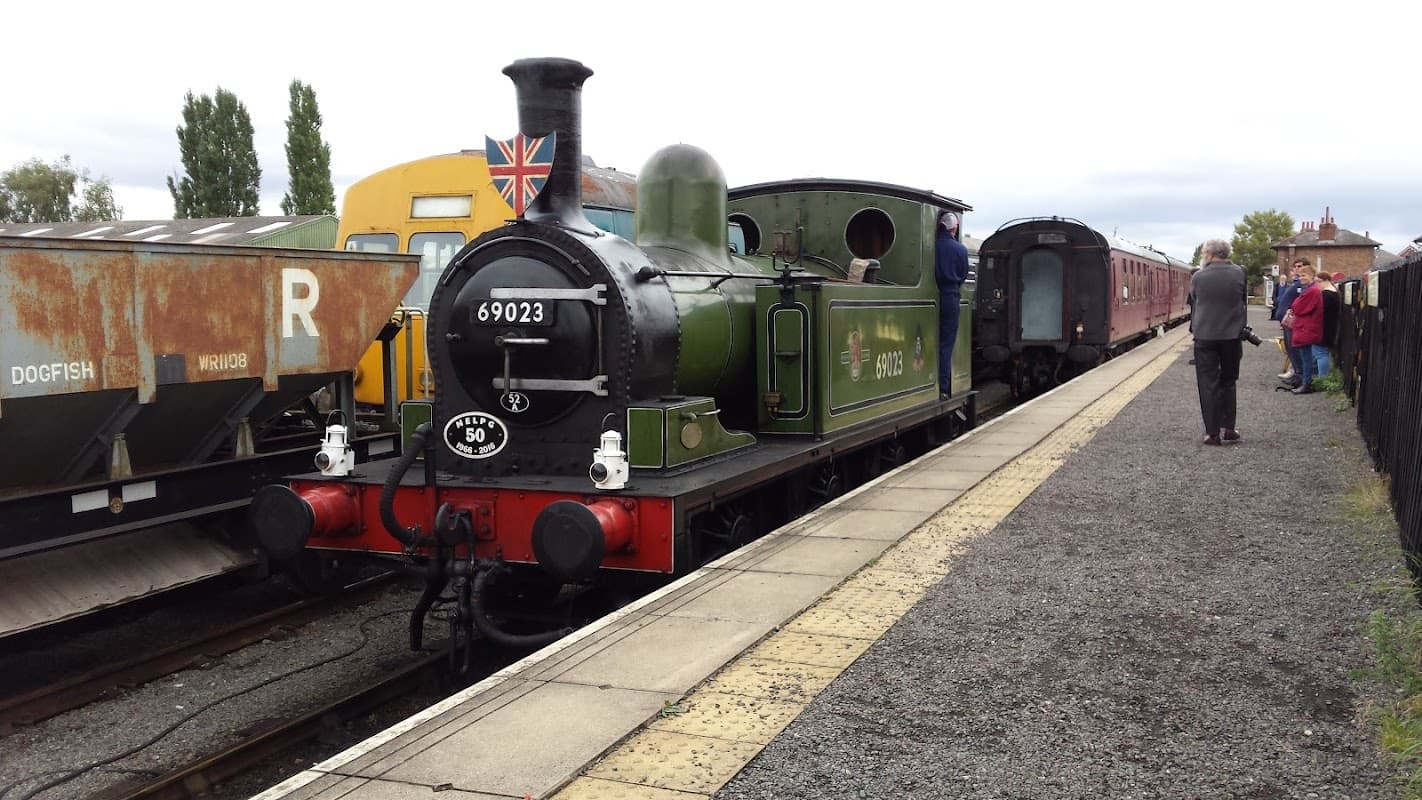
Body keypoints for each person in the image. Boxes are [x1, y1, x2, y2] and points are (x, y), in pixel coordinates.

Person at [1188, 239, 1248, 445]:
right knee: (1228, 381)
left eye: (1204, 253)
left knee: (1208, 384)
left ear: (1209, 254)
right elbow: (1242, 300)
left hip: (1205, 336)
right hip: (1231, 336)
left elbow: (1195, 299)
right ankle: (1230, 428)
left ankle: (1212, 433)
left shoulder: (1198, 277)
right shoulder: (1240, 273)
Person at [935, 210, 969, 399]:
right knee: (946, 344)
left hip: (932, 296)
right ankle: (944, 387)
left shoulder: (933, 247)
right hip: (950, 296)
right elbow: (963, 275)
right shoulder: (960, 250)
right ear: (954, 229)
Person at [1288, 264, 1323, 394]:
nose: (1301, 278)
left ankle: (1306, 384)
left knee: (1306, 358)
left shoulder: (1312, 291)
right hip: (1306, 327)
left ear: (1312, 276)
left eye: (1304, 275)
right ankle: (1305, 382)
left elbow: (1297, 307)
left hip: (1306, 328)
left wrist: (1296, 303)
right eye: (1300, 275)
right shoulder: (1312, 289)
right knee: (1306, 357)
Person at [1274, 261, 1304, 383]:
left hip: (1293, 322)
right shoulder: (1295, 284)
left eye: (1300, 266)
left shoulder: (1302, 285)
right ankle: (1295, 374)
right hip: (1286, 322)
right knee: (1290, 349)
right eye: (1295, 266)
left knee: (1295, 350)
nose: (1297, 269)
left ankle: (1298, 376)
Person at [1313, 271, 1341, 379]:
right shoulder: (1334, 293)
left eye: (1318, 281)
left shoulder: (1326, 295)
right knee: (1321, 353)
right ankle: (1321, 377)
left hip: (1323, 327)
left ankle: (1322, 378)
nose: (1317, 284)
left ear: (1326, 280)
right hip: (1329, 326)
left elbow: (1319, 311)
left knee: (1321, 353)